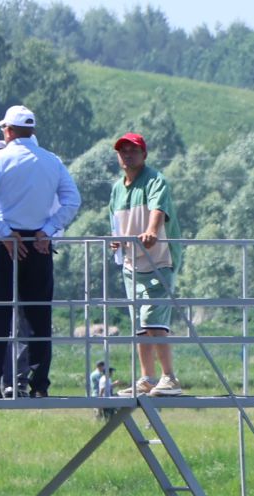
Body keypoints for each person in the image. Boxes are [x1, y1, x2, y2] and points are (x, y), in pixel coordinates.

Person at [0, 105, 81, 400]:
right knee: (39, 315)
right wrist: (49, 229)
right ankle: (40, 383)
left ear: (8, 131)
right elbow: (71, 200)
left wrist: (3, 232)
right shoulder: (52, 161)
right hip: (39, 242)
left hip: (6, 243)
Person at [109, 131, 185, 397]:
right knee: (139, 325)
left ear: (144, 154)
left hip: (159, 259)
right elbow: (116, 222)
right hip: (131, 262)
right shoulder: (118, 188)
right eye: (122, 150)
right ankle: (147, 378)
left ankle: (169, 377)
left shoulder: (155, 180)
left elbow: (157, 209)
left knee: (153, 319)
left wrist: (152, 230)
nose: (127, 154)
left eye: (132, 150)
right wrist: (116, 242)